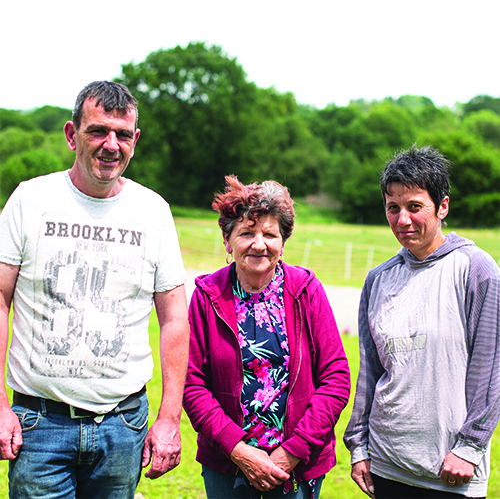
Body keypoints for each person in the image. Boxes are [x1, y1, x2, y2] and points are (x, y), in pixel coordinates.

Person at [0, 81, 189, 498]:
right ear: (72, 135)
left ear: (135, 140)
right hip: (40, 422)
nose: (111, 144)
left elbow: (175, 317)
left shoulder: (154, 212)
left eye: (122, 134)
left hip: (122, 424)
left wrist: (169, 418)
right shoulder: (30, 200)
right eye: (98, 131)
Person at [343, 145, 500, 499]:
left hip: (451, 469)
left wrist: (470, 448)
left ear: (442, 206)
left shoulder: (476, 270)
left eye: (415, 207)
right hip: (385, 465)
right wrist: (360, 447)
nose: (403, 220)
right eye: (392, 208)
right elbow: (370, 371)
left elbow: (491, 369)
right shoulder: (378, 279)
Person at [183, 175, 350, 498]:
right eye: (246, 232)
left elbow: (336, 378)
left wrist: (291, 454)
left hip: (297, 463)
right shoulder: (207, 294)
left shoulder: (306, 290)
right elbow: (192, 385)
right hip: (228, 461)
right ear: (227, 239)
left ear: (283, 242)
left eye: (270, 234)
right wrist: (240, 452)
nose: (259, 244)